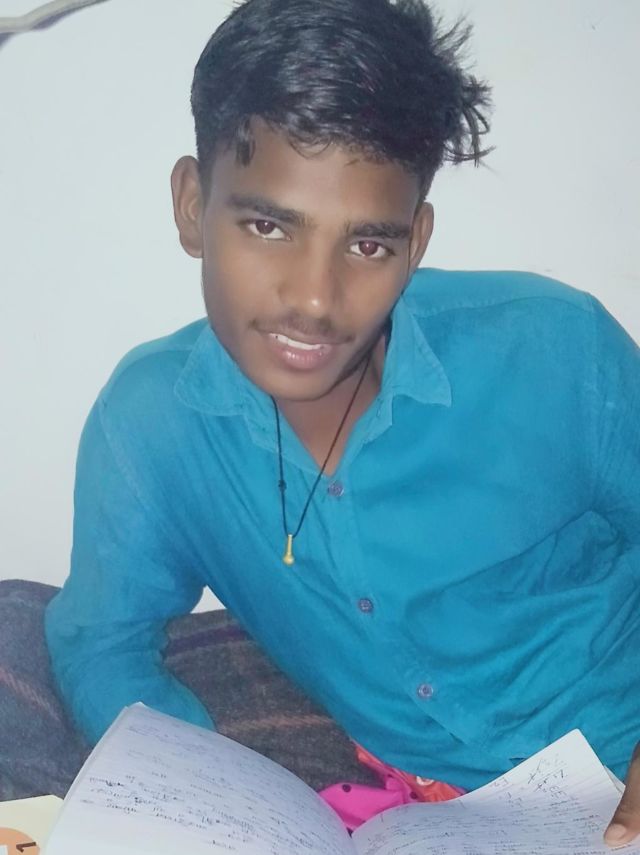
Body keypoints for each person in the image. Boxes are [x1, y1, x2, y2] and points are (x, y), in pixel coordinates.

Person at [44, 0, 639, 844]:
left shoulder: (556, 350)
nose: (316, 299)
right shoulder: (151, 428)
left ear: (415, 241)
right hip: (440, 821)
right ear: (190, 205)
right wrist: (200, 792)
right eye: (268, 226)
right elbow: (101, 643)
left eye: (367, 245)